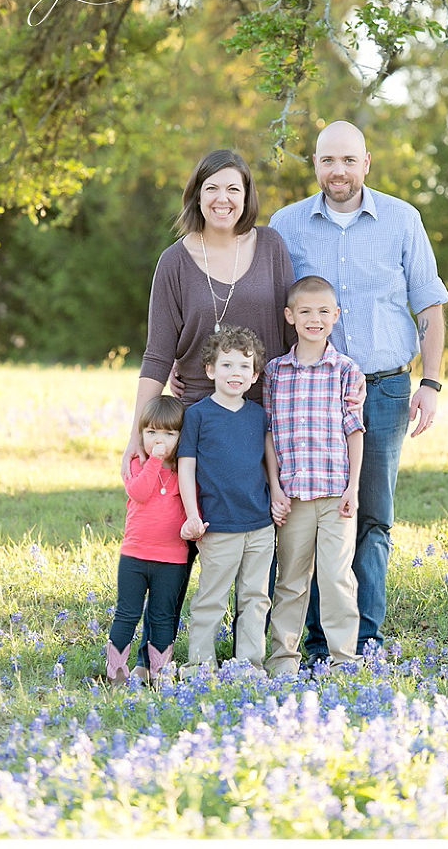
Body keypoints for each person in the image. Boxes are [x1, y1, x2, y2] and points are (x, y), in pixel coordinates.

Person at [269, 120, 448, 663]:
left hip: (384, 388)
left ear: (366, 163)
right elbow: (269, 306)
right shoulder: (286, 225)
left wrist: (431, 382)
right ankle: (316, 642)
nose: (338, 171)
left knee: (370, 516)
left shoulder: (402, 219)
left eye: (349, 160)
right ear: (315, 164)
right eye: (328, 160)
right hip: (309, 394)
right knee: (308, 515)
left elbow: (429, 304)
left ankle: (362, 640)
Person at [120, 149, 295, 672]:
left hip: (260, 419)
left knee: (258, 544)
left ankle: (252, 658)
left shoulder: (271, 247)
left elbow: (291, 335)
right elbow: (158, 354)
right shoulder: (174, 262)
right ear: (197, 195)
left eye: (233, 189)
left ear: (247, 196)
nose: (223, 199)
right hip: (193, 421)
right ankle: (159, 656)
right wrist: (135, 435)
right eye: (212, 188)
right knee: (179, 543)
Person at [263, 276, 365, 675]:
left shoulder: (345, 370)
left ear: (336, 315)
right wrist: (275, 488)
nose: (314, 319)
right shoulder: (275, 372)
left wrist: (353, 488)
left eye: (323, 311)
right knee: (290, 579)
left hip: (336, 494)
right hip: (294, 497)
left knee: (337, 577)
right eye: (305, 311)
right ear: (290, 316)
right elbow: (269, 433)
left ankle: (343, 659)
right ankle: (283, 660)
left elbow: (354, 430)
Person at [176, 325, 275, 673]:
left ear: (255, 375)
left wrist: (276, 499)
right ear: (210, 370)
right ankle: (200, 666)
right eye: (227, 364)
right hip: (217, 525)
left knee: (255, 598)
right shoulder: (197, 415)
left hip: (259, 525)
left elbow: (267, 465)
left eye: (245, 366)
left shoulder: (258, 415)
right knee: (211, 599)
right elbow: (186, 467)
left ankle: (249, 666)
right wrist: (192, 515)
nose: (236, 373)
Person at [105, 395, 188, 687]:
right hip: (135, 556)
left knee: (162, 616)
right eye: (151, 432)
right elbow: (139, 493)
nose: (159, 440)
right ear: (140, 433)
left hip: (171, 559)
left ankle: (159, 674)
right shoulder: (137, 463)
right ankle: (116, 673)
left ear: (181, 436)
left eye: (169, 433)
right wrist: (154, 461)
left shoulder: (184, 469)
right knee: (126, 613)